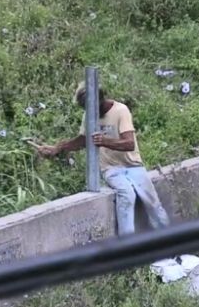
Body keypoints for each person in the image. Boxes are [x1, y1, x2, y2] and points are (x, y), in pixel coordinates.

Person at [37, 82, 171, 236]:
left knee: (152, 202)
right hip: (111, 168)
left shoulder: (121, 111)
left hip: (132, 165)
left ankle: (168, 240)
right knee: (127, 195)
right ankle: (128, 246)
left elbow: (129, 143)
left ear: (100, 101)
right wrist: (57, 149)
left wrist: (105, 141)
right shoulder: (89, 115)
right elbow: (83, 140)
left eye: (91, 108)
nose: (89, 113)